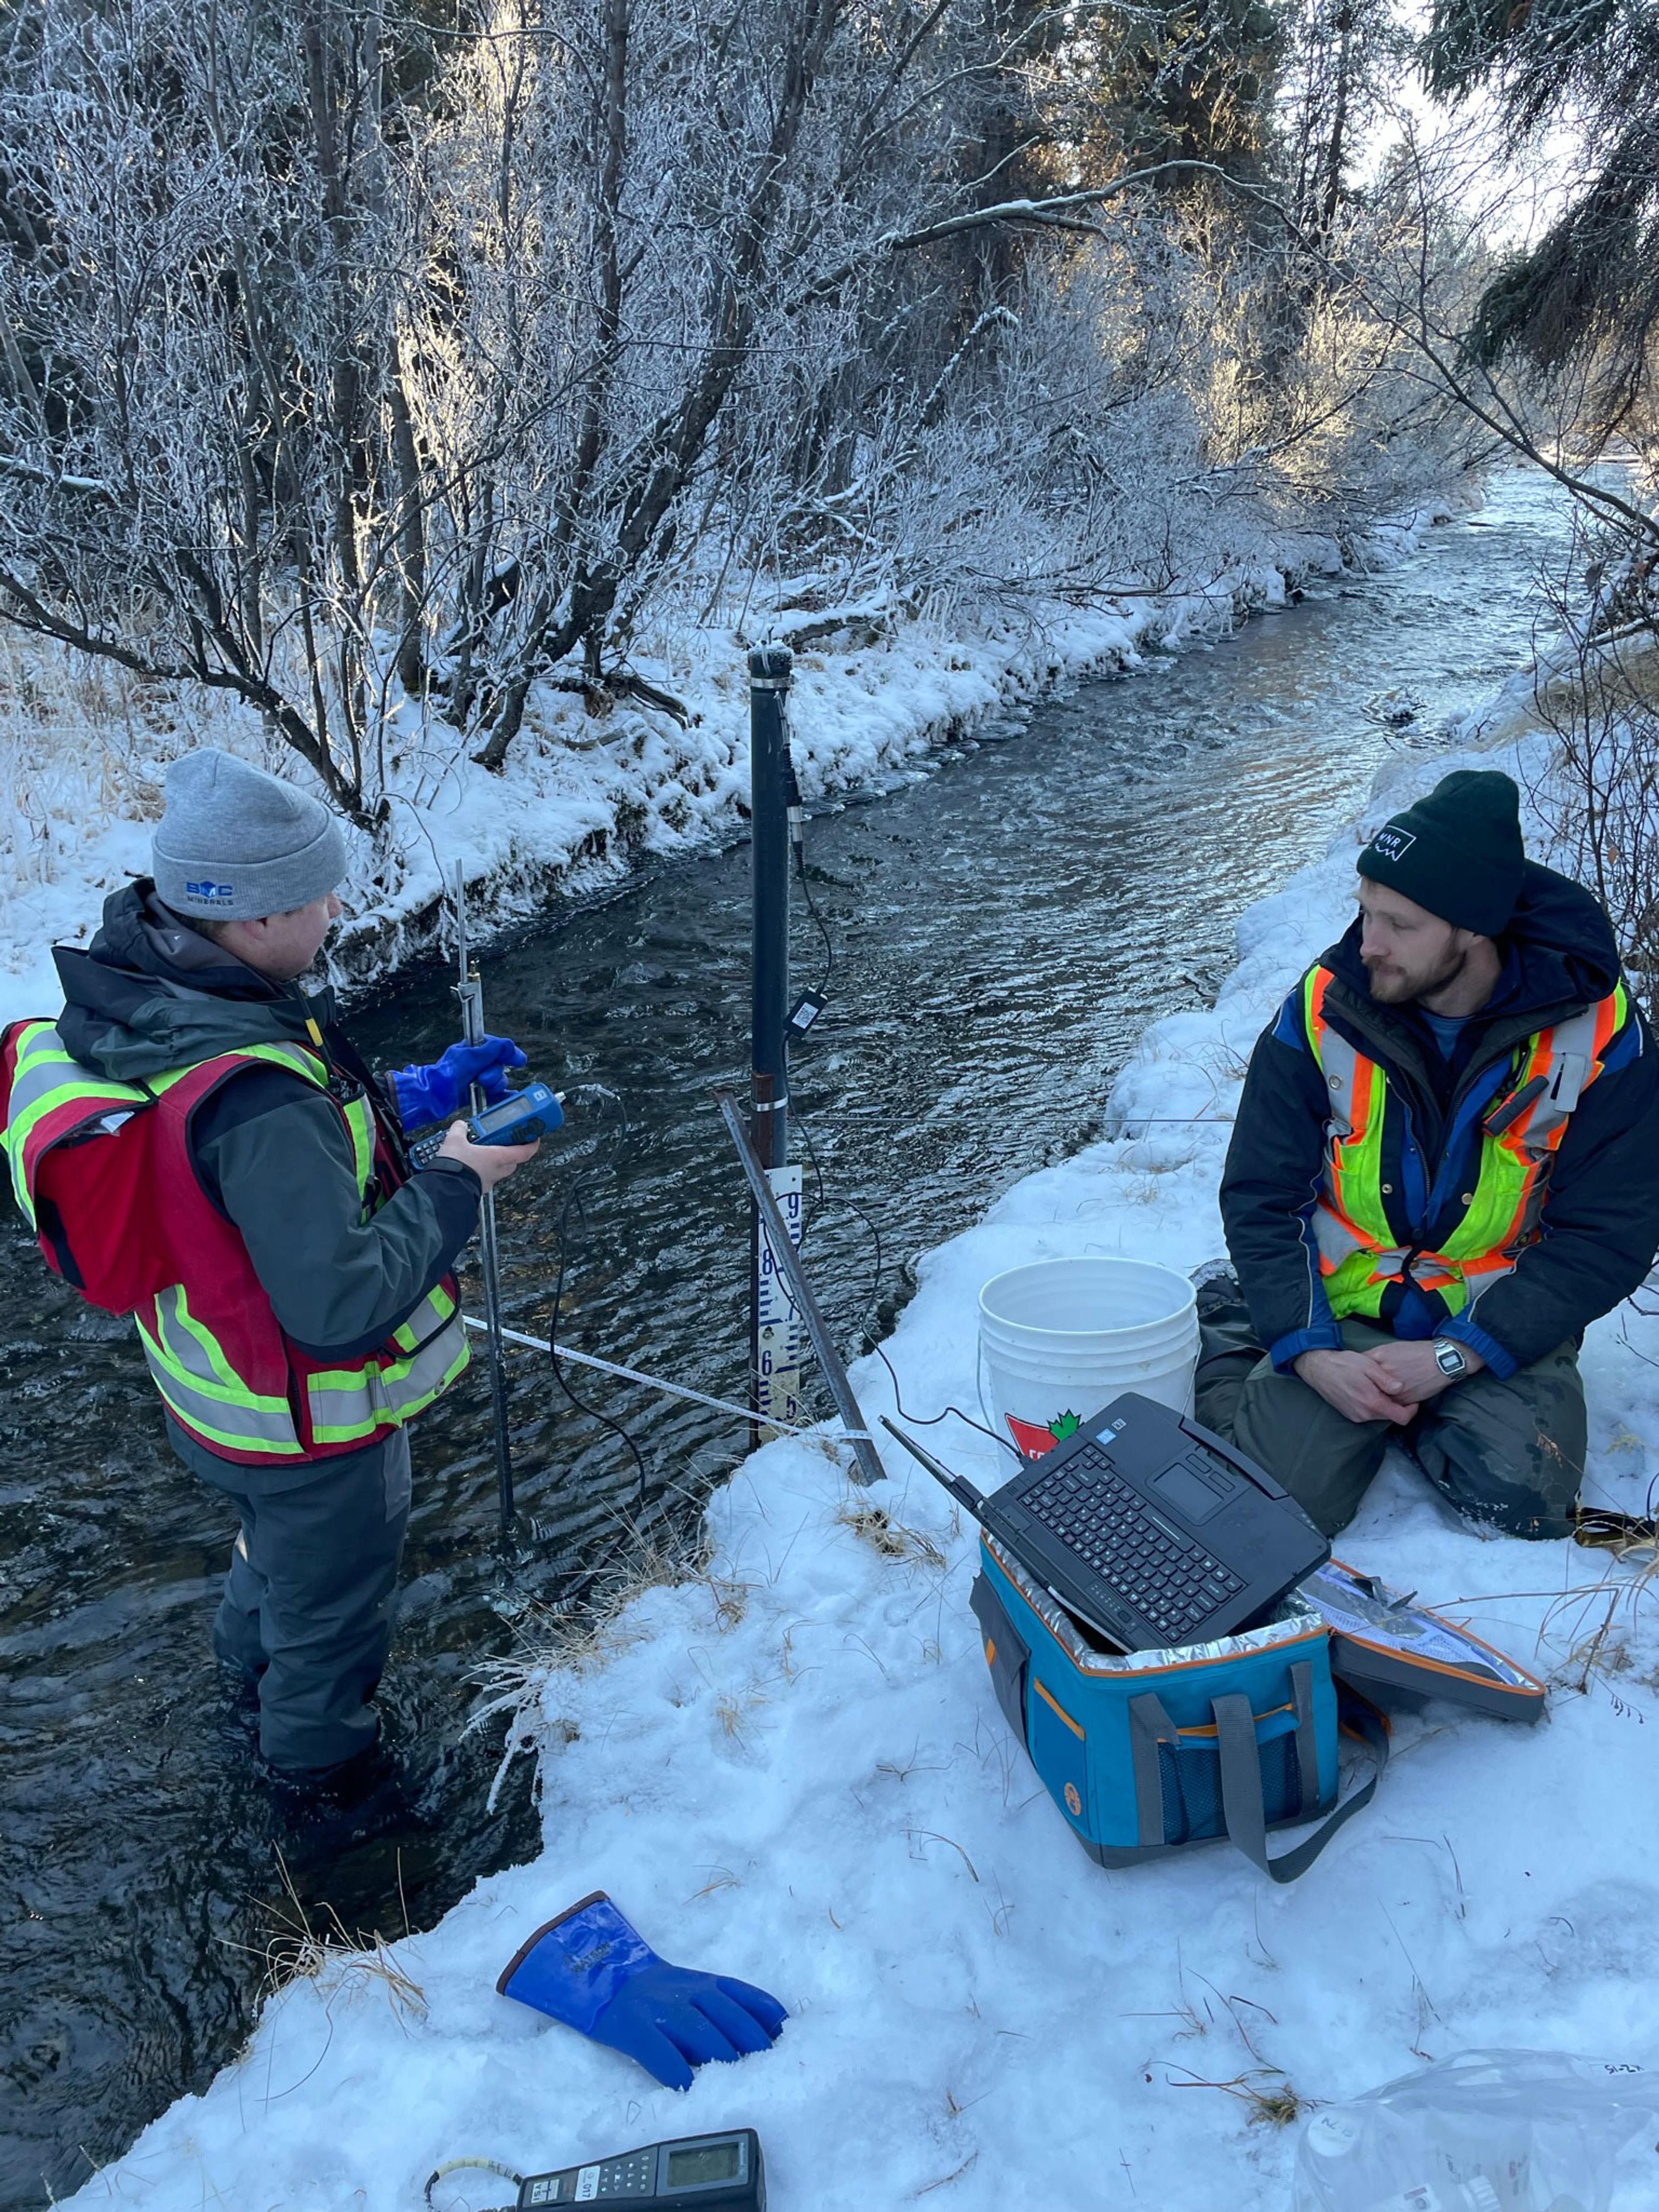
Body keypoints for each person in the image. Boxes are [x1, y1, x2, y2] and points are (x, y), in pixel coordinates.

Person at [1, 749, 538, 1827]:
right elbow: (337, 1303)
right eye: (315, 896)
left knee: (274, 1564)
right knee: (332, 1618)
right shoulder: (253, 1075)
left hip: (213, 1405)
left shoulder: (150, 994)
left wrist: (419, 1092)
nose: (337, 908)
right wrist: (459, 1176)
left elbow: (248, 1165)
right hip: (309, 1430)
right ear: (247, 920)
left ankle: (241, 1679)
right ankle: (325, 1798)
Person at [1197, 768, 1659, 1540]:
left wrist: (1456, 1358)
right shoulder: (1325, 1006)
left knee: (1524, 1500)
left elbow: (1609, 1234)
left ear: (1475, 931)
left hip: (1491, 1310)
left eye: (1399, 925)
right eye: (1365, 912)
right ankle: (1242, 1325)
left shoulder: (1603, 1031)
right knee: (1280, 1505)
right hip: (1341, 1302)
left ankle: (1392, 1409)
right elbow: (1261, 1193)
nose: (1366, 945)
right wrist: (1310, 1354)